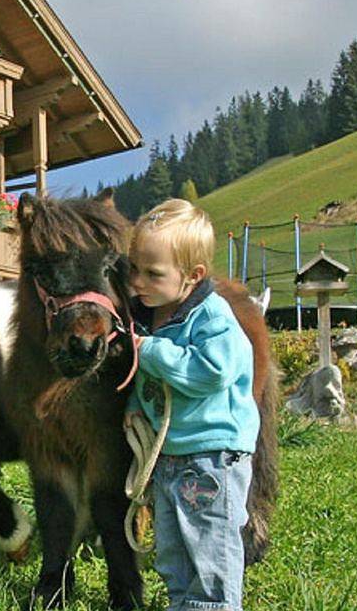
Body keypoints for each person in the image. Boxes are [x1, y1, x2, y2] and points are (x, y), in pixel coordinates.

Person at [124, 198, 259, 611]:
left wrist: (150, 352)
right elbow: (155, 384)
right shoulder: (159, 314)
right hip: (171, 455)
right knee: (173, 551)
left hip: (211, 457)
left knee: (210, 546)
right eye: (135, 269)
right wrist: (135, 405)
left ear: (192, 276)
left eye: (152, 273)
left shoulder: (213, 317)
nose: (137, 282)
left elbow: (210, 373)